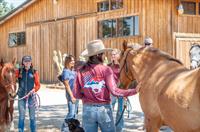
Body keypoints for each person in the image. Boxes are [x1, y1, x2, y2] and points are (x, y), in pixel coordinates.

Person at [73, 40, 139, 132]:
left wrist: (87, 96)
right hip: (104, 109)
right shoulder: (106, 70)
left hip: (88, 110)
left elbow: (76, 94)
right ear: (97, 55)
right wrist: (135, 90)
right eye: (103, 53)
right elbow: (115, 91)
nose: (104, 55)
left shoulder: (80, 70)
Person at [16, 55, 41, 132]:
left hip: (31, 97)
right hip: (21, 96)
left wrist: (34, 90)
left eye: (28, 61)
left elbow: (38, 85)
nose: (27, 63)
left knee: (32, 117)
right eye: (25, 61)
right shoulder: (19, 71)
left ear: (31, 62)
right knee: (21, 117)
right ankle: (21, 130)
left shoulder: (34, 72)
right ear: (23, 62)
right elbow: (12, 80)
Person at [108, 48, 125, 132]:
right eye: (112, 54)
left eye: (114, 54)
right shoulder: (108, 66)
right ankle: (110, 128)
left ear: (118, 55)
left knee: (120, 111)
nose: (113, 56)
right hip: (112, 92)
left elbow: (125, 79)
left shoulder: (122, 66)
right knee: (110, 110)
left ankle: (119, 129)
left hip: (121, 91)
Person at [61, 55, 79, 132]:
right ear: (67, 62)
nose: (73, 62)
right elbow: (67, 85)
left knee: (75, 113)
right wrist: (71, 96)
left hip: (77, 94)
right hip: (71, 94)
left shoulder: (73, 71)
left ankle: (72, 129)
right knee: (71, 113)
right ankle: (64, 128)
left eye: (73, 60)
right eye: (71, 60)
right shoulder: (65, 71)